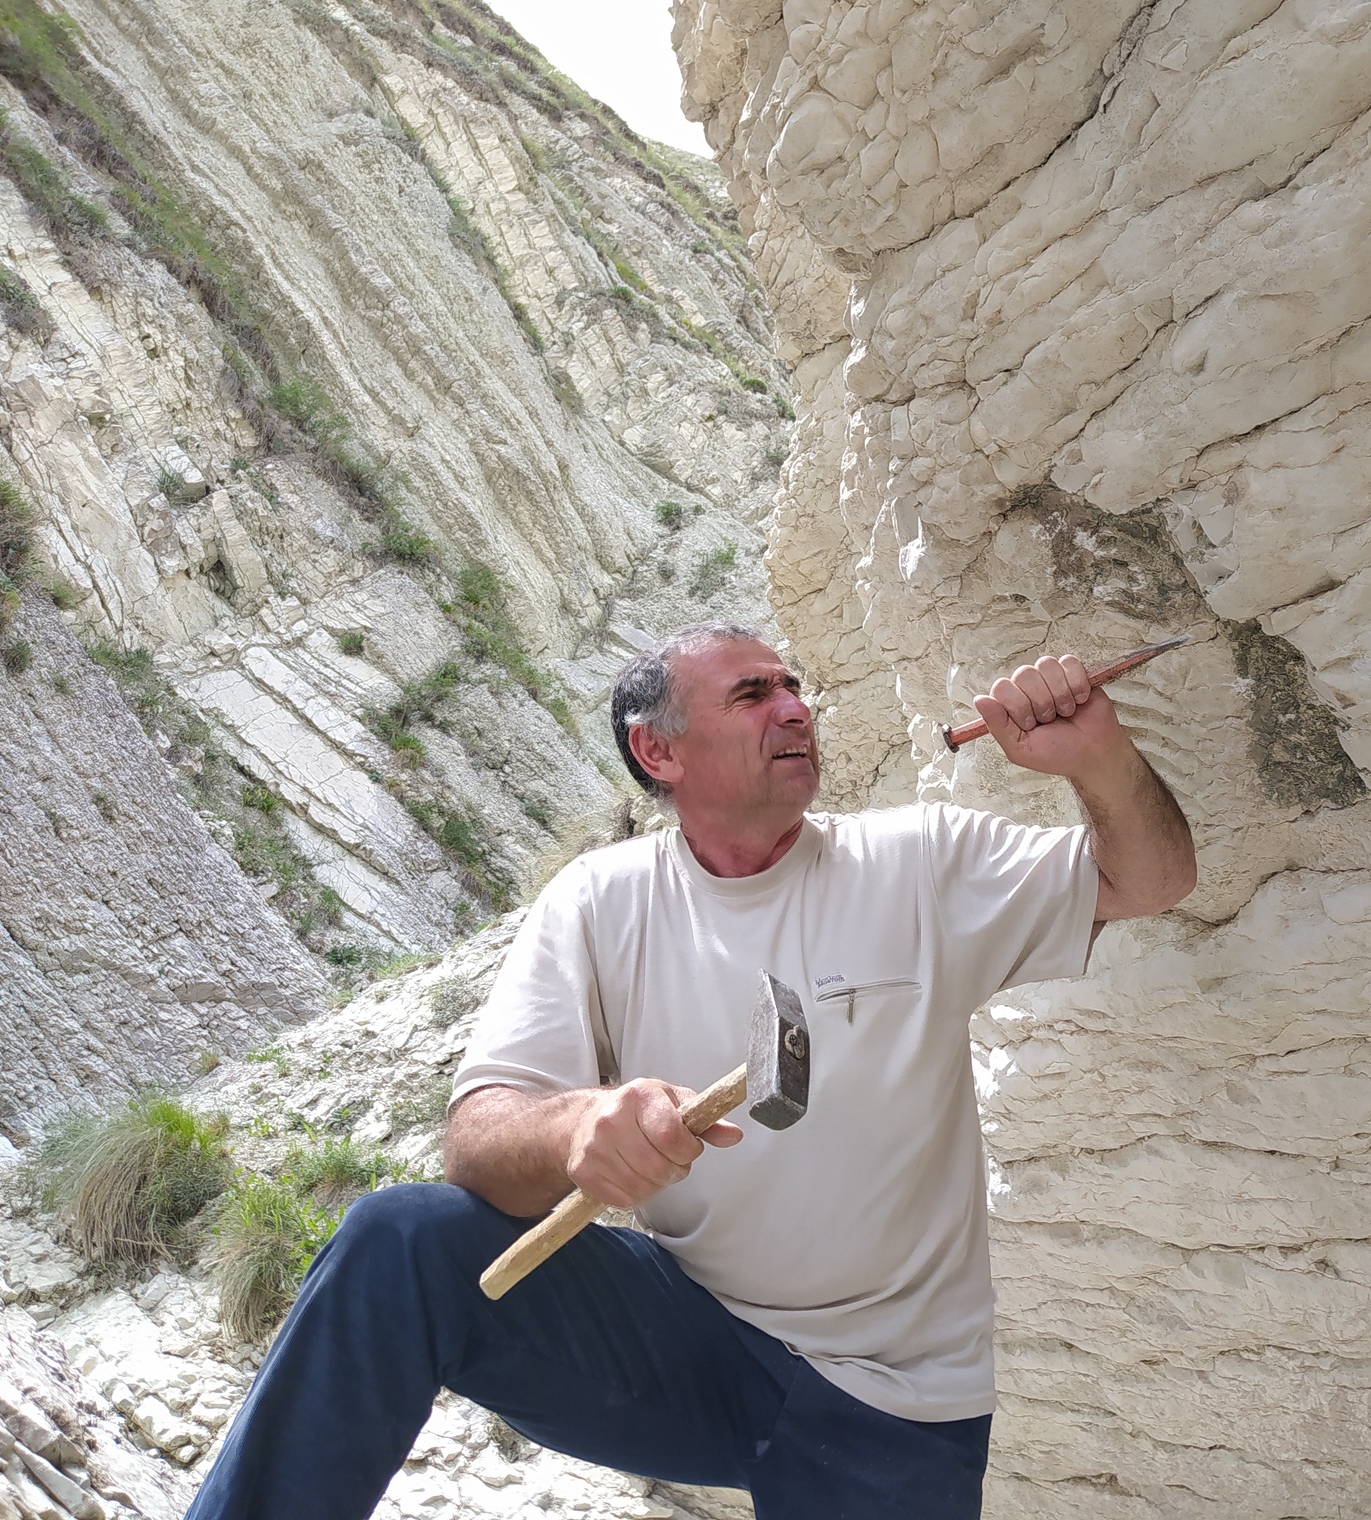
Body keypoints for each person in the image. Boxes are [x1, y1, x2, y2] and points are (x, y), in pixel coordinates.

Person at [184, 621, 1196, 1520]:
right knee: (399, 1237)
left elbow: (1147, 878)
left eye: (793, 687)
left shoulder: (919, 862)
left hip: (900, 1398)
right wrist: (580, 1131)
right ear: (656, 749)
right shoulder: (598, 901)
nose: (795, 708)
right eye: (753, 694)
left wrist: (1096, 756)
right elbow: (480, 1141)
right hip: (690, 1341)